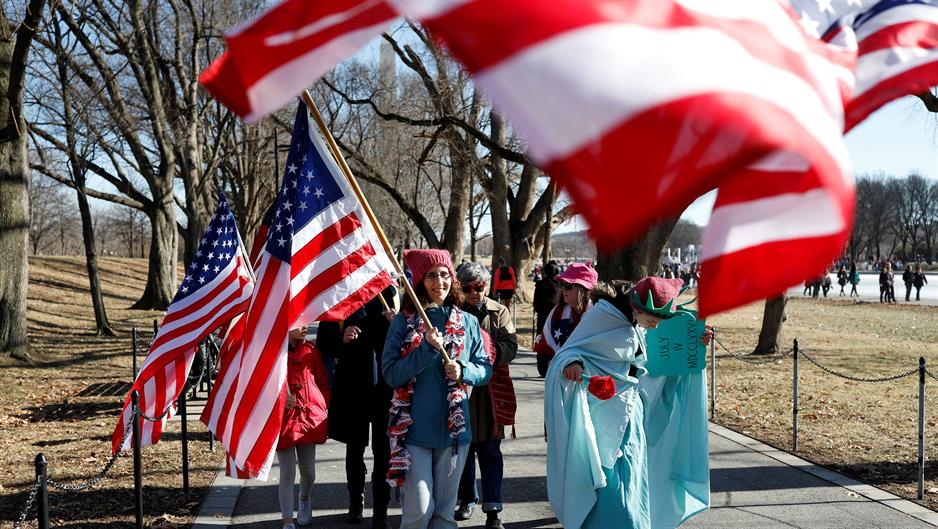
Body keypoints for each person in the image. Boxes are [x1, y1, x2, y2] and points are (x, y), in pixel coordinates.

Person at [544, 278, 711, 529]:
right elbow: (567, 353)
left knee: (632, 489)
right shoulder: (602, 317)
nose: (654, 328)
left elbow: (655, 366)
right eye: (653, 322)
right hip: (601, 424)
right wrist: (573, 364)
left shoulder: (641, 325)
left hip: (632, 419)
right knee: (609, 494)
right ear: (638, 309)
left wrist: (694, 342)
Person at [382, 249, 493, 529]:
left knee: (444, 516)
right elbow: (391, 374)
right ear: (420, 281)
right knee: (419, 509)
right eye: (431, 276)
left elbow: (485, 369)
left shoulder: (467, 322)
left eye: (445, 275)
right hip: (415, 432)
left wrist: (464, 371)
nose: (439, 282)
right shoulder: (403, 322)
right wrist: (425, 350)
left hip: (455, 435)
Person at [316, 287, 398, 529]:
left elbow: (405, 342)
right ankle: (355, 501)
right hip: (353, 390)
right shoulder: (340, 295)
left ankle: (381, 511)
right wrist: (341, 339)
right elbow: (324, 343)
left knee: (383, 452)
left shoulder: (387, 296)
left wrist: (396, 325)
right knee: (355, 449)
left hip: (384, 390)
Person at [453, 262, 518, 529]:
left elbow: (510, 346)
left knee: (490, 451)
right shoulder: (452, 311)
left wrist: (484, 352)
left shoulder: (499, 311)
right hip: (460, 389)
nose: (474, 293)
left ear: (486, 286)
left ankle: (493, 510)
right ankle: (466, 500)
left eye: (478, 287)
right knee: (463, 451)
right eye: (467, 288)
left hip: (492, 392)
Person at [277, 325, 330, 529]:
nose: (305, 326)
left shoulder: (311, 350)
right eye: (299, 323)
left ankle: (304, 498)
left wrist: (322, 404)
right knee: (286, 472)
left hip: (309, 417)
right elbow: (263, 386)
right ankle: (287, 520)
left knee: (309, 473)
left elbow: (322, 381)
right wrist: (281, 398)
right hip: (284, 419)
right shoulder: (274, 354)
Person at [533, 262, 598, 377]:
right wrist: (564, 365)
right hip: (562, 381)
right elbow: (543, 361)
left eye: (568, 286)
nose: (563, 290)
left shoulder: (598, 315)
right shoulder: (556, 314)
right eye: (562, 285)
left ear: (584, 289)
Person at [533, 260, 561, 340]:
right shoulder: (559, 285)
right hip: (555, 314)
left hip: (542, 315)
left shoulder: (539, 284)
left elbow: (536, 302)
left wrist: (538, 310)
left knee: (541, 335)